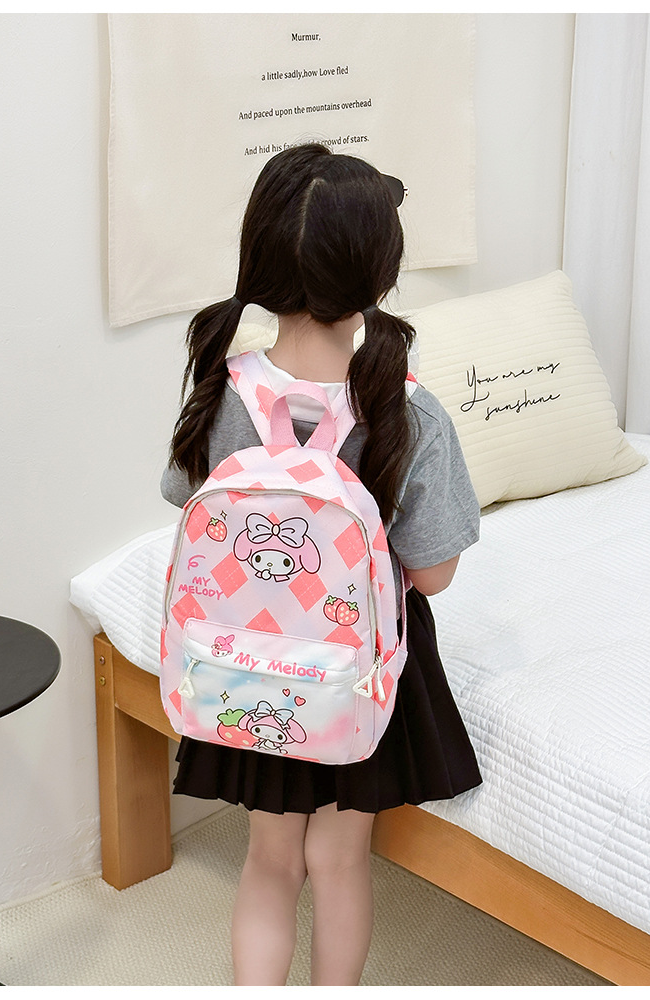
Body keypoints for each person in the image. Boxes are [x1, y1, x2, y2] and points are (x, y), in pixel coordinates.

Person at [160, 143, 482, 987]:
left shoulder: (221, 390)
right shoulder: (406, 409)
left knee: (269, 860)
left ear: (261, 257)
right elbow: (434, 574)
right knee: (339, 863)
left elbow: (185, 501)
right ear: (381, 272)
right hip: (356, 672)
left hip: (250, 666)